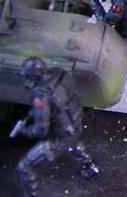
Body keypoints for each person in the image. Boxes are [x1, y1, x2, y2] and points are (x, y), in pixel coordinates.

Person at [12, 57, 100, 197]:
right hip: (76, 121)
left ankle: (32, 194)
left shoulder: (40, 96)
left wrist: (24, 131)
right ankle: (91, 167)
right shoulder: (60, 73)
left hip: (59, 137)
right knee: (74, 144)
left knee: (24, 166)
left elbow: (41, 130)